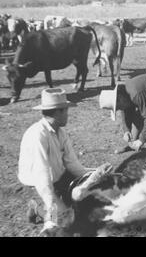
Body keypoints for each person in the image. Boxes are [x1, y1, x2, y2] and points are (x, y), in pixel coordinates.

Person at [18, 88, 112, 230]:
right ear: (58, 111)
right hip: (38, 183)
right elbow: (41, 176)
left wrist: (96, 173)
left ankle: (59, 202)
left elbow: (73, 165)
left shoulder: (61, 133)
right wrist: (51, 206)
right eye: (66, 111)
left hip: (59, 177)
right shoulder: (38, 135)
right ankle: (37, 207)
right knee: (66, 222)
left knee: (90, 203)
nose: (68, 115)